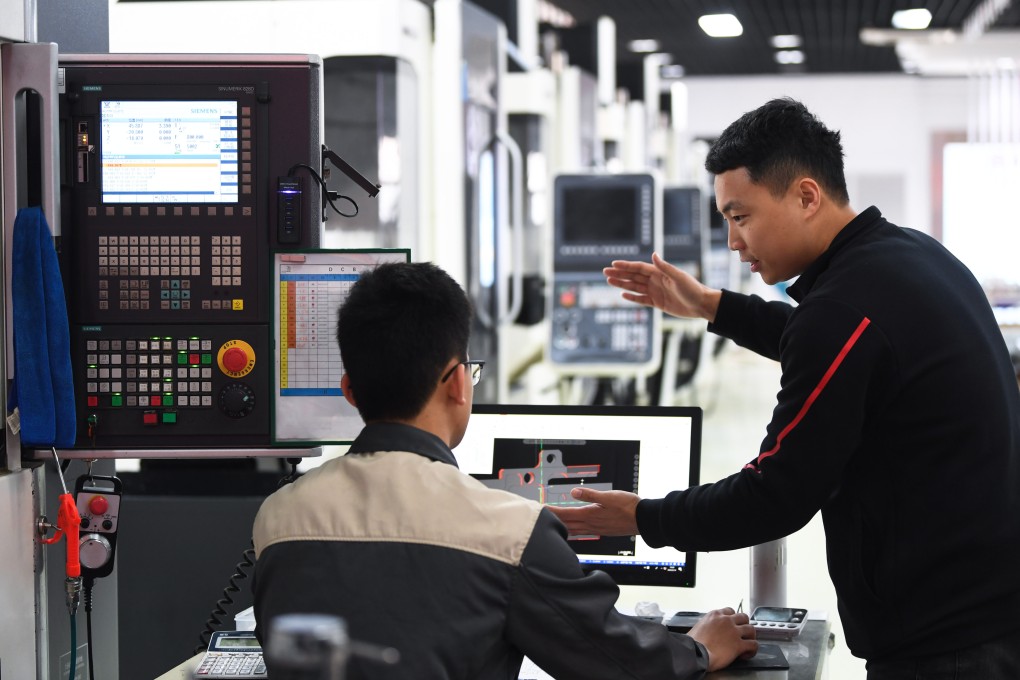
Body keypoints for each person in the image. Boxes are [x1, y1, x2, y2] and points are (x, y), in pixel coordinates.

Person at [548, 98, 1020, 679]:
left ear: (805, 196)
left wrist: (644, 518)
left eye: (740, 217)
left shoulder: (844, 309)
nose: (731, 242)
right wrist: (708, 305)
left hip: (946, 643)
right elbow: (826, 343)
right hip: (989, 604)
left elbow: (775, 494)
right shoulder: (908, 255)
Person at [251, 261, 757, 680]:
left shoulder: (277, 519)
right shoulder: (509, 530)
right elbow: (618, 662)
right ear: (457, 384)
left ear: (350, 392)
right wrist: (699, 647)